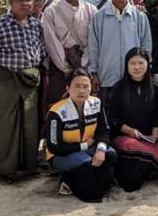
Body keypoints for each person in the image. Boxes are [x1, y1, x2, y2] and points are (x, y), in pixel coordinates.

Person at [0, 0, 46, 180]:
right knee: (5, 123)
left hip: (30, 79)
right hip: (6, 79)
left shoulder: (37, 25)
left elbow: (41, 52)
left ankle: (28, 165)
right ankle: (4, 168)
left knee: (29, 123)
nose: (25, 3)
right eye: (20, 0)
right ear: (10, 2)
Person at [45, 68, 117, 201]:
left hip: (89, 150)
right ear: (68, 88)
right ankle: (67, 179)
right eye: (77, 86)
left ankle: (89, 180)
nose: (81, 91)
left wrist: (101, 149)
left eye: (85, 86)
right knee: (92, 194)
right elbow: (54, 148)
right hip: (62, 155)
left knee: (110, 154)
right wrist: (83, 146)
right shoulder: (56, 112)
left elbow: (104, 132)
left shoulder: (96, 103)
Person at [42, 0, 97, 119]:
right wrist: (66, 68)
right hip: (60, 70)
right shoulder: (51, 11)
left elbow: (93, 41)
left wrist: (83, 65)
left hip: (84, 69)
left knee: (85, 110)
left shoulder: (91, 10)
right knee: (56, 108)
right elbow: (52, 42)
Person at [108, 48, 158, 192]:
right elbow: (112, 117)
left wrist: (154, 134)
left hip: (147, 139)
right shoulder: (118, 87)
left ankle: (142, 167)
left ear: (148, 64)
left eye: (141, 63)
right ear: (126, 65)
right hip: (125, 137)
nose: (137, 67)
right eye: (133, 63)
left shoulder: (157, 88)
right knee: (131, 180)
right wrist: (129, 131)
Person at [89, 0, 152, 101]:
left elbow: (146, 46)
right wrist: (94, 72)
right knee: (108, 111)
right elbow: (93, 47)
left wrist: (145, 70)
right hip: (107, 77)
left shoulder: (139, 16)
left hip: (134, 77)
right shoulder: (99, 17)